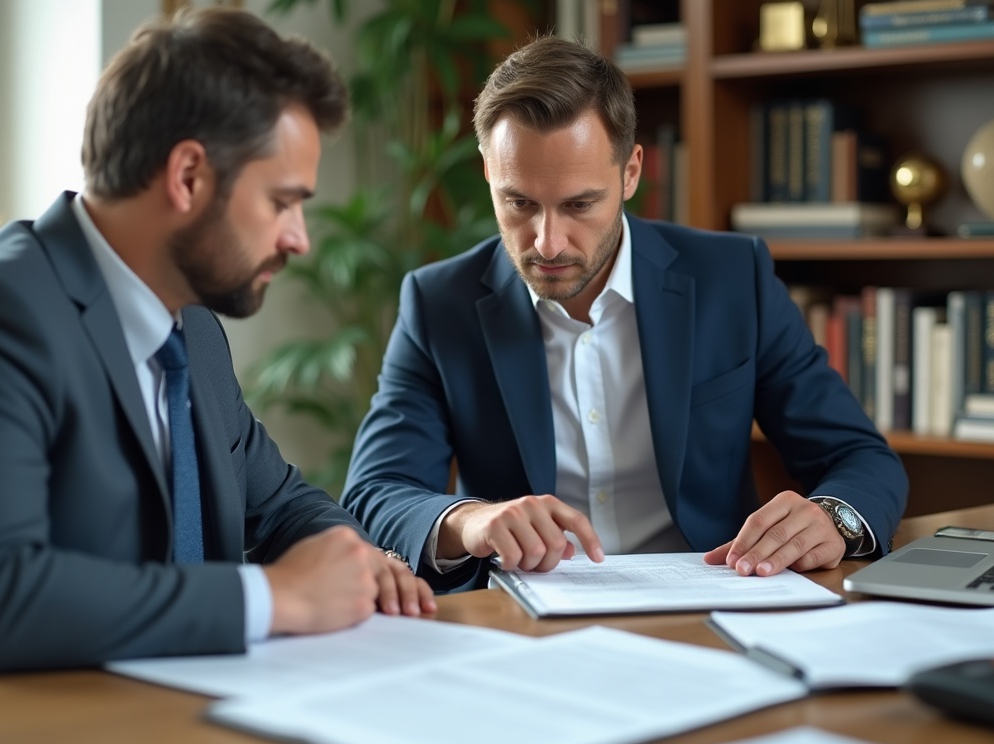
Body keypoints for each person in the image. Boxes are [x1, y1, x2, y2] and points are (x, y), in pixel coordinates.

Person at [0, 7, 434, 687]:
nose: (299, 238)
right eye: (281, 202)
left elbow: (278, 505)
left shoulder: (192, 331)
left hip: (154, 711)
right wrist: (278, 596)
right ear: (188, 177)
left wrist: (352, 558)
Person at [341, 35, 908, 592]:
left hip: (713, 598)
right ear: (489, 171)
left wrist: (833, 518)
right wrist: (470, 520)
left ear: (630, 173)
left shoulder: (734, 279)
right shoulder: (439, 303)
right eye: (519, 202)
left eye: (579, 204)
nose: (547, 242)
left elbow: (859, 456)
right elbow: (374, 492)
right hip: (523, 621)